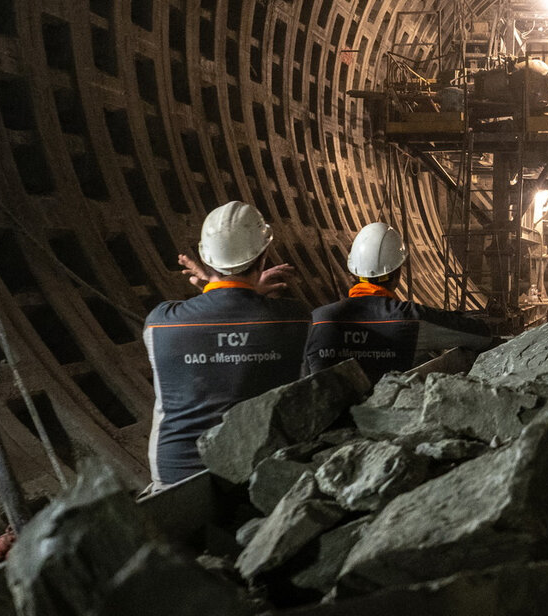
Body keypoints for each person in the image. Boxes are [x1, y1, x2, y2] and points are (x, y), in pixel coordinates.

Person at [144, 202, 309, 490]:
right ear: (263, 256)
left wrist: (218, 288)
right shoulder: (295, 319)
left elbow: (219, 317)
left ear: (206, 258)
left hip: (176, 480)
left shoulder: (160, 323)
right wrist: (245, 293)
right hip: (261, 480)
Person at [304, 222, 493, 381]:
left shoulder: (319, 319)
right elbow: (481, 335)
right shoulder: (411, 318)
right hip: (394, 417)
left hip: (330, 421)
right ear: (397, 274)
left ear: (355, 271)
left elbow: (303, 381)